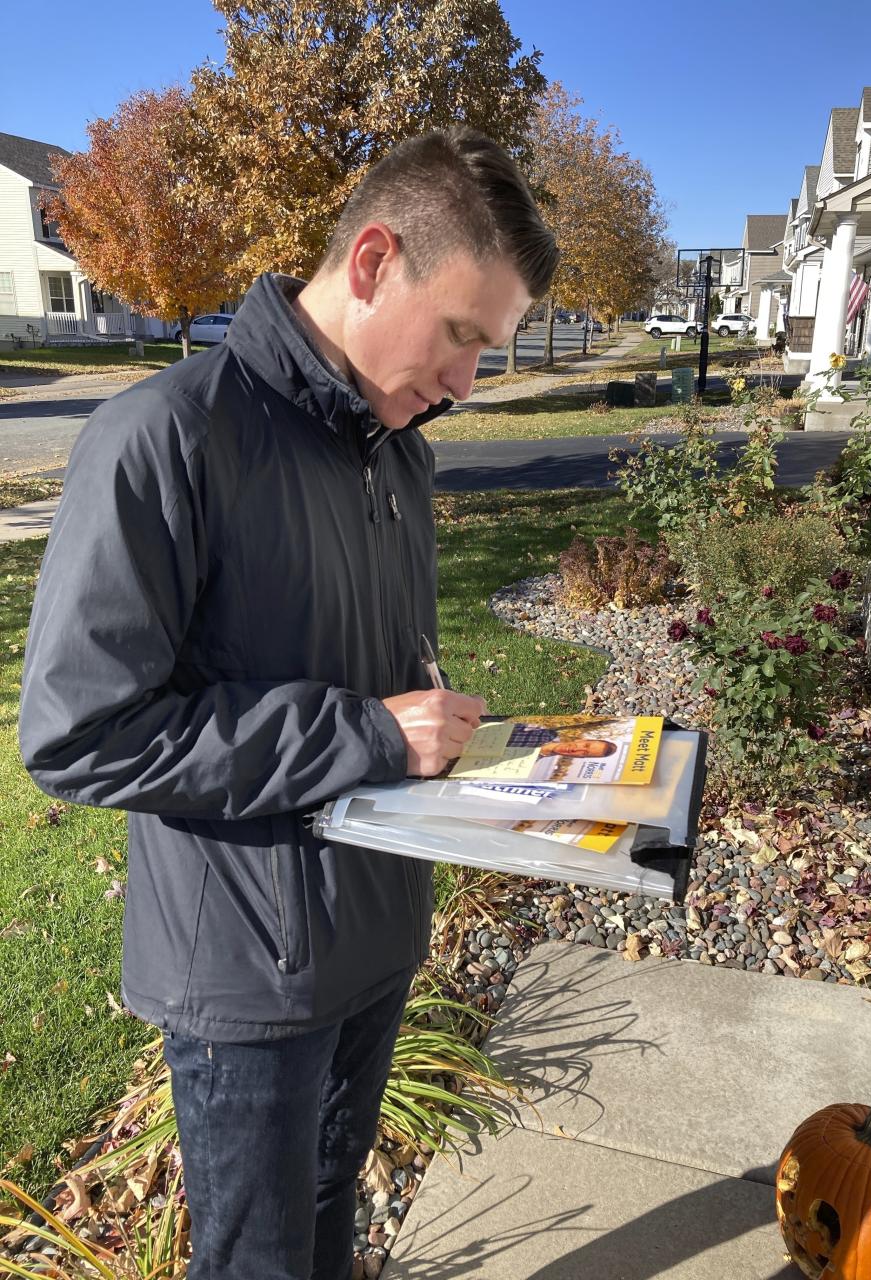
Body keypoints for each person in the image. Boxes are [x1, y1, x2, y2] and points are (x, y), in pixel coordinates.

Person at [18, 127, 558, 1280]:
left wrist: (454, 739)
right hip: (247, 977)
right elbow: (79, 730)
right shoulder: (163, 437)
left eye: (488, 350)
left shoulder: (398, 448)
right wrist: (365, 731)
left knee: (330, 1228)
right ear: (371, 262)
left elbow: (380, 677)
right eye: (462, 335)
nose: (467, 382)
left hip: (376, 930)